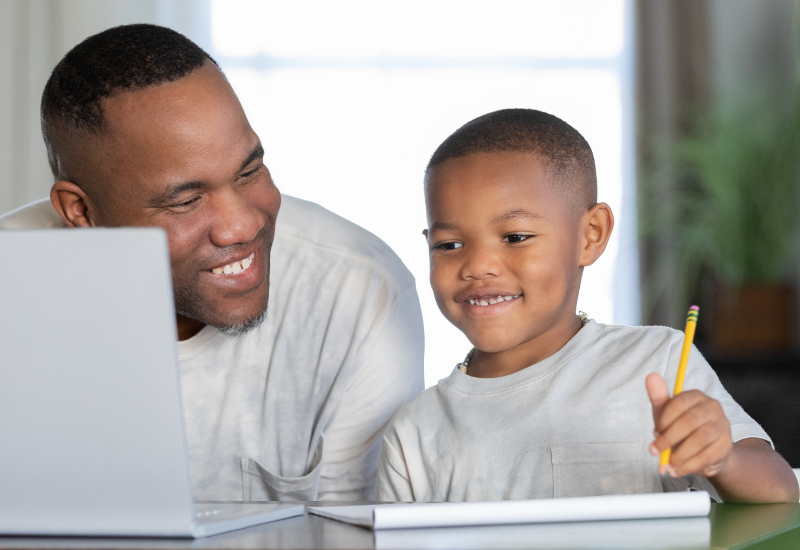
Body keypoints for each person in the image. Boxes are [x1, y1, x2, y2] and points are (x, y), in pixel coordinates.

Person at [0, 24, 424, 501]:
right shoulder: (10, 293)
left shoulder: (359, 291)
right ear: (81, 212)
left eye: (249, 171)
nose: (241, 227)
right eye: (186, 201)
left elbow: (350, 530)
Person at [374, 108, 799, 503]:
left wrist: (722, 459)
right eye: (449, 245)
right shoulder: (413, 434)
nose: (478, 266)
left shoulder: (657, 363)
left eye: (515, 237)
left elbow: (781, 490)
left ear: (591, 234)